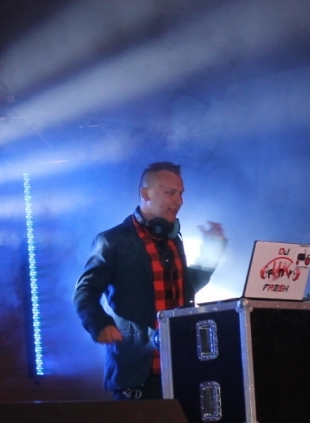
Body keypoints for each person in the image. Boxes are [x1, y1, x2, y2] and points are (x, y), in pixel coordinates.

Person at [74, 162, 226, 399]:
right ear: (145, 193)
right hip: (137, 372)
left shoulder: (173, 240)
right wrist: (99, 324)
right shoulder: (113, 240)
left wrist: (212, 250)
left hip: (181, 367)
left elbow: (185, 286)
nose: (179, 201)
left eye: (181, 193)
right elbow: (85, 290)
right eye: (170, 193)